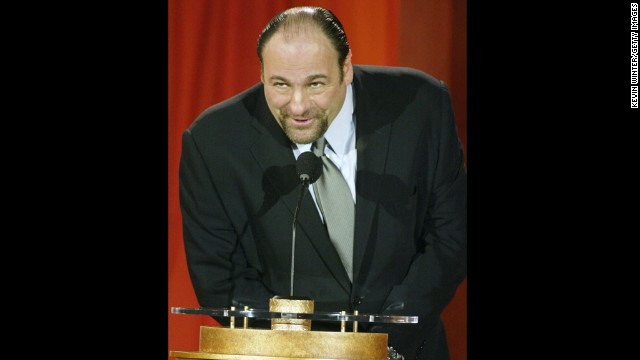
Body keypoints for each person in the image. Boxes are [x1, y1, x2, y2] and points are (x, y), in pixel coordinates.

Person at [179, 6, 466, 360]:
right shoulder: (213, 141)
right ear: (262, 73)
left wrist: (384, 346)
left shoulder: (420, 105)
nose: (298, 106)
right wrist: (306, 349)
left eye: (315, 84)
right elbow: (217, 275)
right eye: (280, 84)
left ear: (346, 68)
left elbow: (451, 236)